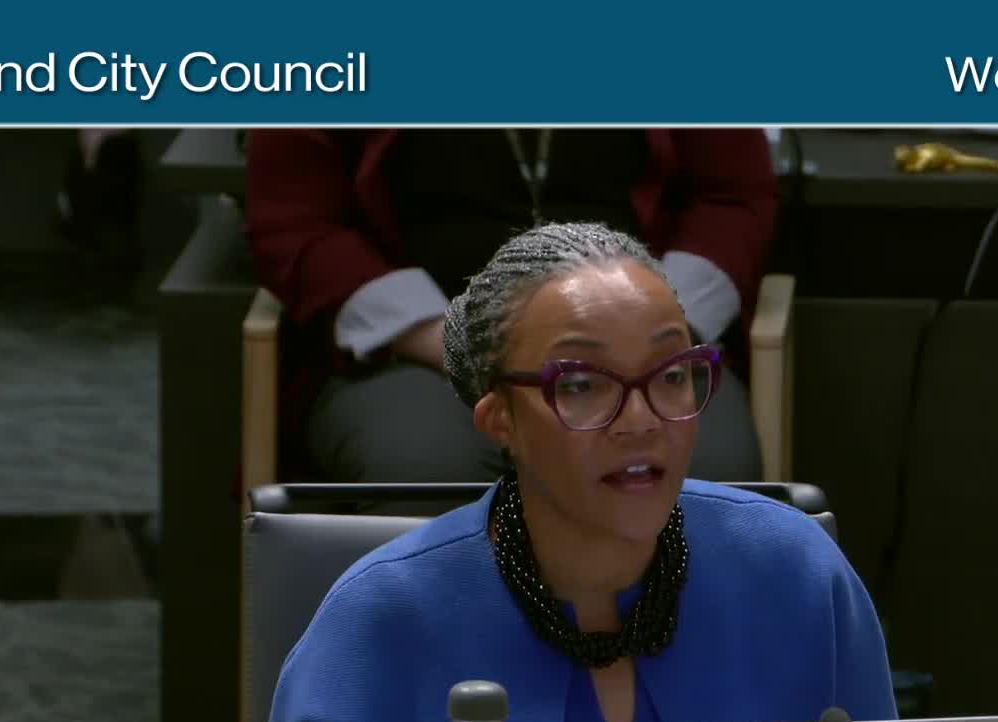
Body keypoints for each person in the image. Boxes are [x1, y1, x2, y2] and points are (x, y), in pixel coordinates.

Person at [262, 222, 895, 722]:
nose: (641, 419)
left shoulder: (796, 574)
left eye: (671, 375)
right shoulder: (376, 625)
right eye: (584, 384)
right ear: (499, 419)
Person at [241, 128, 775, 485]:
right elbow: (300, 220)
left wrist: (648, 333)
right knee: (425, 465)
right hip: (417, 345)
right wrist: (456, 343)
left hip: (642, 333)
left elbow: (730, 199)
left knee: (705, 465)